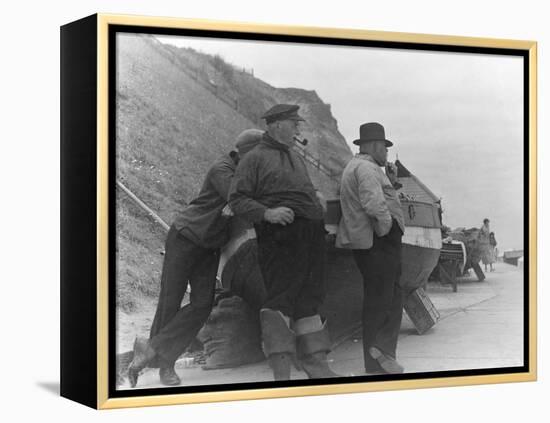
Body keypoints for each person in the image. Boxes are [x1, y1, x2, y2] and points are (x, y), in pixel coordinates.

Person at [127, 129, 263, 388]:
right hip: (186, 238)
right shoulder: (221, 169)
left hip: (209, 246)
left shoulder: (243, 171)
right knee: (171, 300)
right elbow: (239, 198)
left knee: (202, 304)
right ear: (248, 152)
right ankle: (165, 366)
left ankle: (150, 348)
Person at [228, 104, 338, 381]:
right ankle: (282, 370)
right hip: (280, 237)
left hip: (310, 235)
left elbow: (302, 187)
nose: (298, 129)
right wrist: (268, 213)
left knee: (310, 297)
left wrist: (316, 196)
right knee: (281, 299)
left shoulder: (295, 156)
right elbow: (237, 199)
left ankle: (316, 363)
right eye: (294, 123)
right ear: (276, 125)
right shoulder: (254, 158)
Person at [336, 122, 406, 375]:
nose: (387, 153)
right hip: (378, 241)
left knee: (384, 298)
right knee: (385, 298)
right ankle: (379, 353)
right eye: (385, 148)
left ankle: (378, 359)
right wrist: (386, 229)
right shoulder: (366, 168)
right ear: (375, 146)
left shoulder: (359, 167)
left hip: (371, 241)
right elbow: (374, 204)